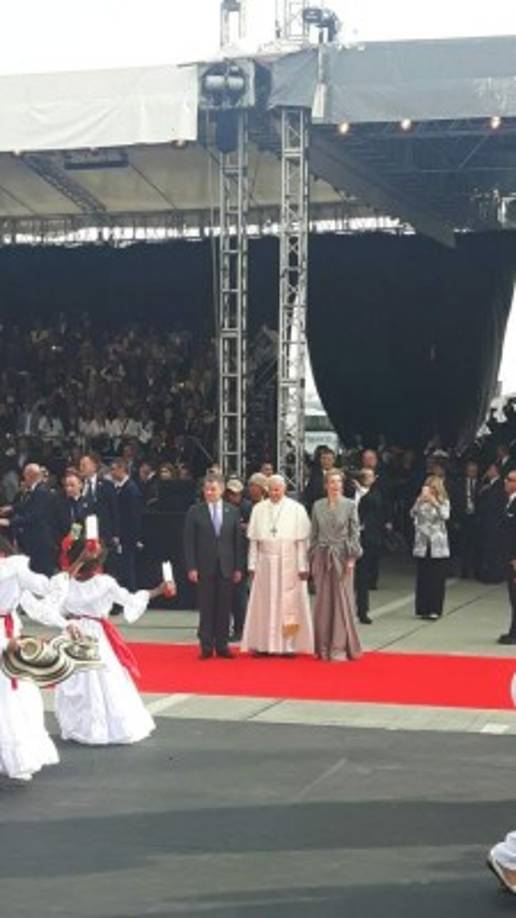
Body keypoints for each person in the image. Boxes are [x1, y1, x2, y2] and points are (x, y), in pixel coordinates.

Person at [22, 538, 171, 745]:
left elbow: (49, 606)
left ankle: (81, 727)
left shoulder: (64, 583)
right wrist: (158, 590)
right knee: (103, 681)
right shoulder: (103, 582)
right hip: (95, 636)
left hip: (72, 635)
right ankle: (101, 727)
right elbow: (130, 600)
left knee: (79, 682)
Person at [0, 537, 69, 781]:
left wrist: (65, 622)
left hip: (8, 637)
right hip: (7, 637)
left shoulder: (14, 569)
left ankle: (16, 757)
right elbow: (43, 589)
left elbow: (38, 602)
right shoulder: (15, 569)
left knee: (15, 698)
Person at [241, 474, 314, 656]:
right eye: (271, 489)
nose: (274, 493)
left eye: (277, 489)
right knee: (264, 605)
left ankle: (289, 645)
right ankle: (263, 644)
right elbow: (254, 542)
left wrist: (303, 566)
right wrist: (252, 565)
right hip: (265, 564)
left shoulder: (297, 509)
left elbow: (301, 543)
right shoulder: (258, 509)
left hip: (289, 562)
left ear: (283, 489)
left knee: (290, 606)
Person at [183, 474, 244, 659]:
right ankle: (206, 646)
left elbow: (237, 542)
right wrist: (191, 567)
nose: (209, 493)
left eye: (213, 489)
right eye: (207, 489)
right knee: (206, 606)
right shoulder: (195, 511)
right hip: (204, 566)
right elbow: (188, 541)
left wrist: (238, 568)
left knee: (224, 607)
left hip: (226, 566)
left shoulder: (232, 511)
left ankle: (223, 645)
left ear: (222, 490)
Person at [310, 470, 362, 661]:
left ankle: (339, 647)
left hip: (342, 555)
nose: (335, 485)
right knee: (323, 602)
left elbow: (354, 533)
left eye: (338, 482)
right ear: (326, 485)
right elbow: (313, 535)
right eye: (332, 482)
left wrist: (352, 558)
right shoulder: (317, 506)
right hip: (323, 556)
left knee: (342, 600)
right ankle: (322, 647)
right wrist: (313, 559)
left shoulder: (350, 505)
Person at [0, 463, 56, 575]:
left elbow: (35, 515)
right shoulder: (35, 491)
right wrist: (11, 508)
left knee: (41, 572)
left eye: (25, 475)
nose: (23, 478)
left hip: (40, 539)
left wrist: (10, 522)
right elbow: (25, 505)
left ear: (31, 475)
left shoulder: (42, 491)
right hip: (33, 539)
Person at [411, 475, 451, 620]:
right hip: (422, 543)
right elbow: (412, 513)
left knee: (436, 579)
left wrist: (435, 502)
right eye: (428, 487)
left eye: (433, 488)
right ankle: (423, 608)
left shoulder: (443, 501)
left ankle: (435, 609)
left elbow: (445, 516)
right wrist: (419, 501)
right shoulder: (421, 501)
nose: (430, 491)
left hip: (437, 544)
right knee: (423, 578)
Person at [354, 468, 384, 624]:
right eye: (365, 476)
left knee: (362, 578)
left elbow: (375, 503)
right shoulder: (349, 492)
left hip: (366, 538)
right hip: (348, 537)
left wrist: (362, 492)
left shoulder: (374, 493)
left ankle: (362, 610)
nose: (369, 478)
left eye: (371, 476)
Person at [224, 477, 252, 642]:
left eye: (237, 493)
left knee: (239, 596)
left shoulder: (247, 507)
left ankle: (240, 628)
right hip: (226, 554)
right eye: (231, 493)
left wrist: (244, 527)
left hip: (241, 554)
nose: (234, 496)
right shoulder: (224, 507)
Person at [110, 458, 143, 592]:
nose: (111, 472)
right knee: (121, 568)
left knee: (127, 569)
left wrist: (135, 538)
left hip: (127, 537)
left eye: (113, 469)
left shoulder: (131, 489)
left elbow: (134, 516)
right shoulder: (118, 488)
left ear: (122, 469)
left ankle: (131, 596)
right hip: (121, 535)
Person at [497, 470, 516, 645]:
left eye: (509, 480)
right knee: (512, 596)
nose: (506, 482)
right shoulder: (509, 502)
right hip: (508, 555)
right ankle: (513, 629)